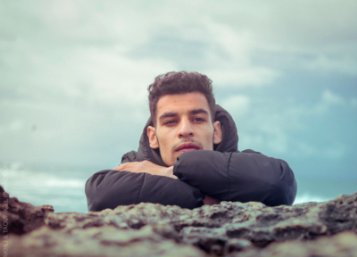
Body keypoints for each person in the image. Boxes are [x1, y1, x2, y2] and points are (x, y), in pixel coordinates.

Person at [85, 71, 297, 211]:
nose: (185, 130)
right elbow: (100, 195)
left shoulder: (244, 162)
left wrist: (168, 172)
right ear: (152, 137)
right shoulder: (133, 166)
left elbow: (278, 182)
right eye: (170, 122)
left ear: (216, 131)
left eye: (197, 119)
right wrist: (204, 197)